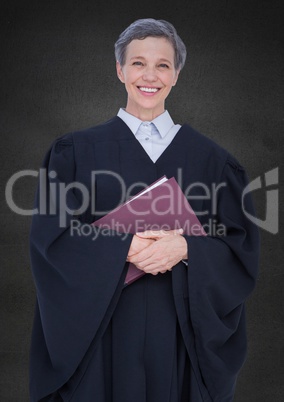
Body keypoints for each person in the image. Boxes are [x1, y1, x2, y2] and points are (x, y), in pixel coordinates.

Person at [29, 18, 260, 402]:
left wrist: (188, 249)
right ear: (120, 70)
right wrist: (123, 247)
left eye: (162, 65)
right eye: (138, 63)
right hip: (101, 340)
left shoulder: (215, 163)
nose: (149, 75)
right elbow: (51, 241)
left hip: (180, 340)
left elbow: (239, 251)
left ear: (176, 75)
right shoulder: (74, 152)